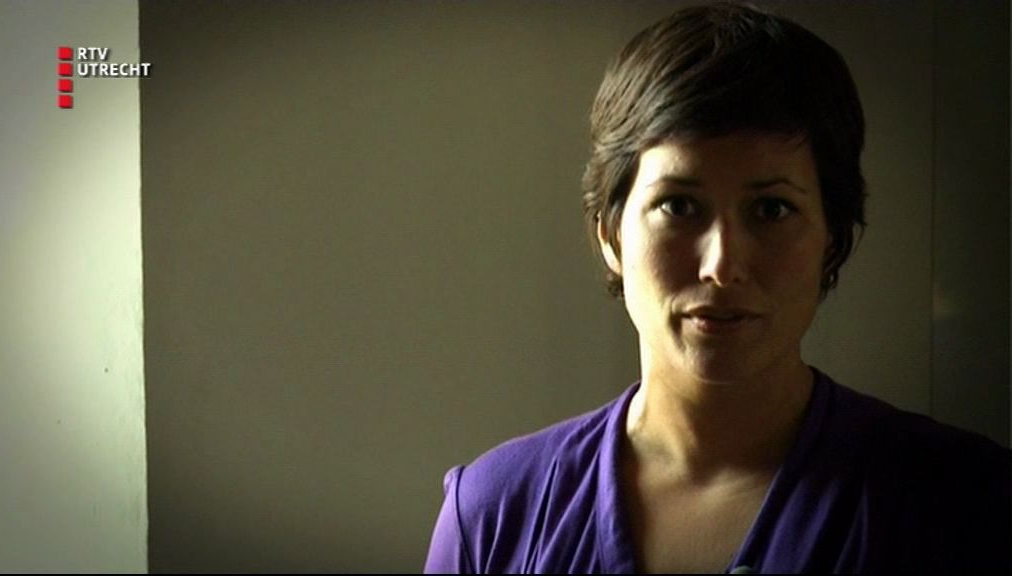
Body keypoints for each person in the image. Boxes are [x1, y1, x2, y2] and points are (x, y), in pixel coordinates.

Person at [423, 3, 1011, 573]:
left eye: (771, 210)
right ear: (610, 233)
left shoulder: (967, 505)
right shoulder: (496, 515)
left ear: (832, 239)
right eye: (679, 206)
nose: (723, 266)